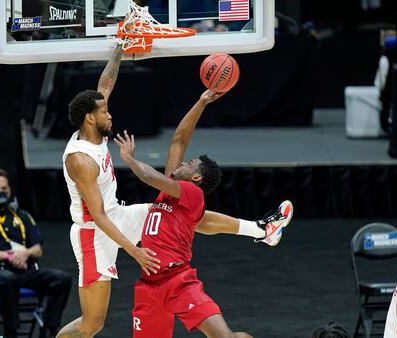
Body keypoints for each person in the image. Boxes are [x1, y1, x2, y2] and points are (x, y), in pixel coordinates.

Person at [58, 45, 292, 338]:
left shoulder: (94, 127)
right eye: (105, 111)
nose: (111, 114)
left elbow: (106, 85)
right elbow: (100, 216)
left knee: (182, 213)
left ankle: (261, 230)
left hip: (121, 219)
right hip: (95, 231)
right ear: (90, 118)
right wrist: (135, 252)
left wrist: (119, 46)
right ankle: (261, 230)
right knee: (92, 324)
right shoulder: (81, 160)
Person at [114, 89, 293, 338]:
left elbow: (148, 176)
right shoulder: (174, 192)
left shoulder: (190, 192)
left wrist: (130, 159)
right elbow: (179, 140)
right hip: (149, 285)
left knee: (224, 337)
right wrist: (201, 101)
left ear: (195, 178)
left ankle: (262, 229)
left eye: (188, 164)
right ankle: (262, 229)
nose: (182, 163)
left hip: (178, 281)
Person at [0, 168, 72, 338]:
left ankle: (49, 329)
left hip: (23, 270)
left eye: (4, 189)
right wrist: (7, 256)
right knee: (7, 278)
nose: (0, 193)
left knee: (61, 278)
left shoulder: (22, 216)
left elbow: (38, 249)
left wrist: (26, 253)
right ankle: (11, 331)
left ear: (9, 190)